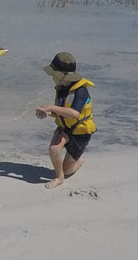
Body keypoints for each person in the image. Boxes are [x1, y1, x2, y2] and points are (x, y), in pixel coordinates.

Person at [35, 52, 96, 189]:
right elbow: (61, 113)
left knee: (68, 170)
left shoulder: (81, 91)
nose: (52, 78)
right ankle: (59, 178)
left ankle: (78, 161)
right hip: (65, 128)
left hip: (80, 133)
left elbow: (74, 113)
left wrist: (51, 107)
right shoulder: (61, 88)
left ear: (62, 76)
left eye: (53, 75)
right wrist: (47, 113)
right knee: (54, 149)